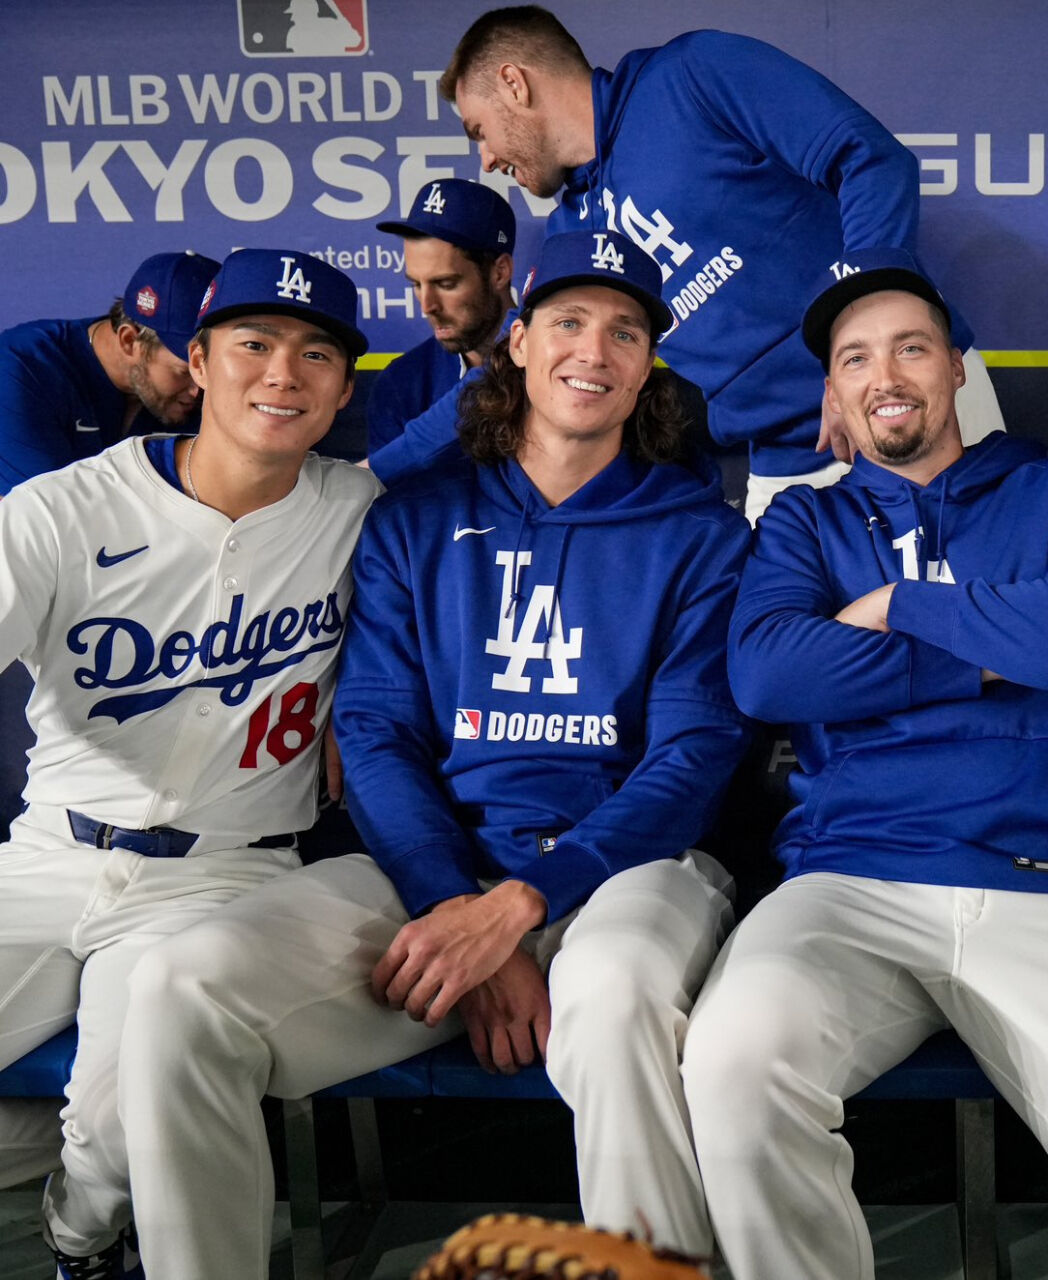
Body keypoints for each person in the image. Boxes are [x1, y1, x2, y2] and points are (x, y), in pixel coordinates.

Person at [113, 230, 751, 1279]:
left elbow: (689, 761)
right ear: (516, 342)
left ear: (647, 366)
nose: (594, 350)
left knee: (620, 991)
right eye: (569, 322)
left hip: (630, 872)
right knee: (182, 986)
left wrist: (515, 908)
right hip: (439, 872)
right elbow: (372, 732)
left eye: (626, 331)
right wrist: (458, 903)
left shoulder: (702, 534)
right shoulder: (415, 520)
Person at [681, 251, 1048, 1280]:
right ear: (831, 391)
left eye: (912, 348)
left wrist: (899, 610)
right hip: (852, 878)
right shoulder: (807, 518)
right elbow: (771, 672)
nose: (887, 375)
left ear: (957, 367)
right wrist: (1003, 654)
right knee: (735, 1060)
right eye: (856, 358)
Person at [0, 249, 373, 1279]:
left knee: (125, 1126)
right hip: (47, 855)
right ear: (195, 362)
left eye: (314, 355)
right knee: (99, 1125)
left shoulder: (360, 513)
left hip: (222, 874)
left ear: (345, 390)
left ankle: (80, 1241)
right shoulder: (64, 510)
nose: (281, 375)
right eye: (252, 344)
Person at [370, 5, 1002, 520]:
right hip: (788, 458)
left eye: (479, 130)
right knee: (784, 663)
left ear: (514, 82)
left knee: (978, 625)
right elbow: (507, 372)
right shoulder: (573, 227)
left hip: (910, 400)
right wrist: (372, 476)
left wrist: (856, 363)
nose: (484, 161)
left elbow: (869, 159)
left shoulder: (693, 75)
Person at [0, 250, 221, 495]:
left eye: (214, 371)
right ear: (128, 341)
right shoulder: (23, 367)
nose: (201, 388)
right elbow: (46, 511)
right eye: (184, 371)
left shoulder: (218, 389)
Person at [368, 177, 517, 456]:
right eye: (416, 284)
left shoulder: (558, 363)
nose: (427, 305)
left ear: (500, 272)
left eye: (446, 284)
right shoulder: (400, 384)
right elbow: (388, 493)